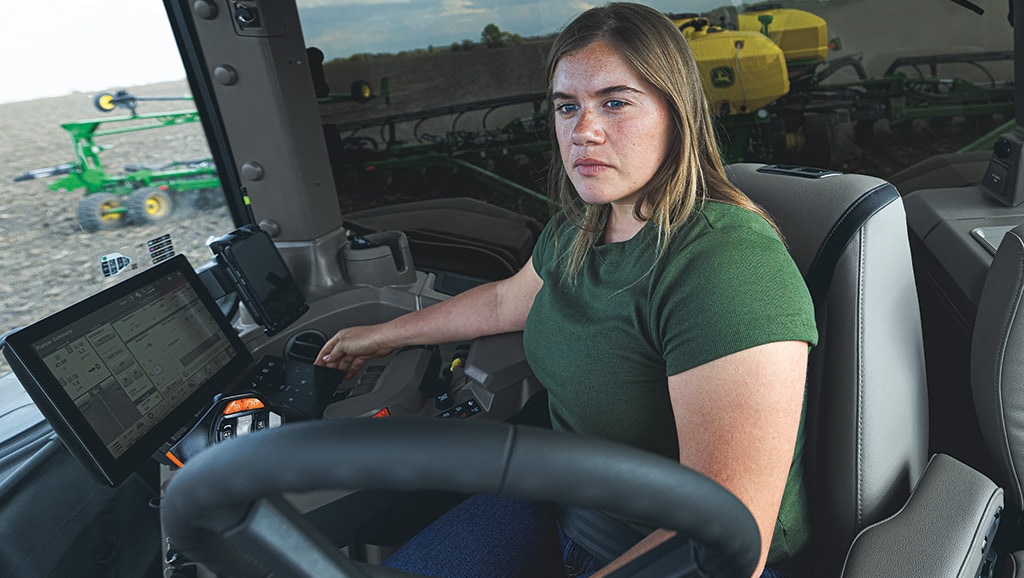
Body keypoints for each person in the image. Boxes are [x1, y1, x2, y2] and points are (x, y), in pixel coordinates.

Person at [316, 3, 818, 577]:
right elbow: (507, 300)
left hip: (671, 551)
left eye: (615, 102)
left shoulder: (724, 261)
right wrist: (381, 336)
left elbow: (730, 534)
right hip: (566, 503)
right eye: (567, 106)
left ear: (675, 113)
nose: (583, 131)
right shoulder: (581, 228)